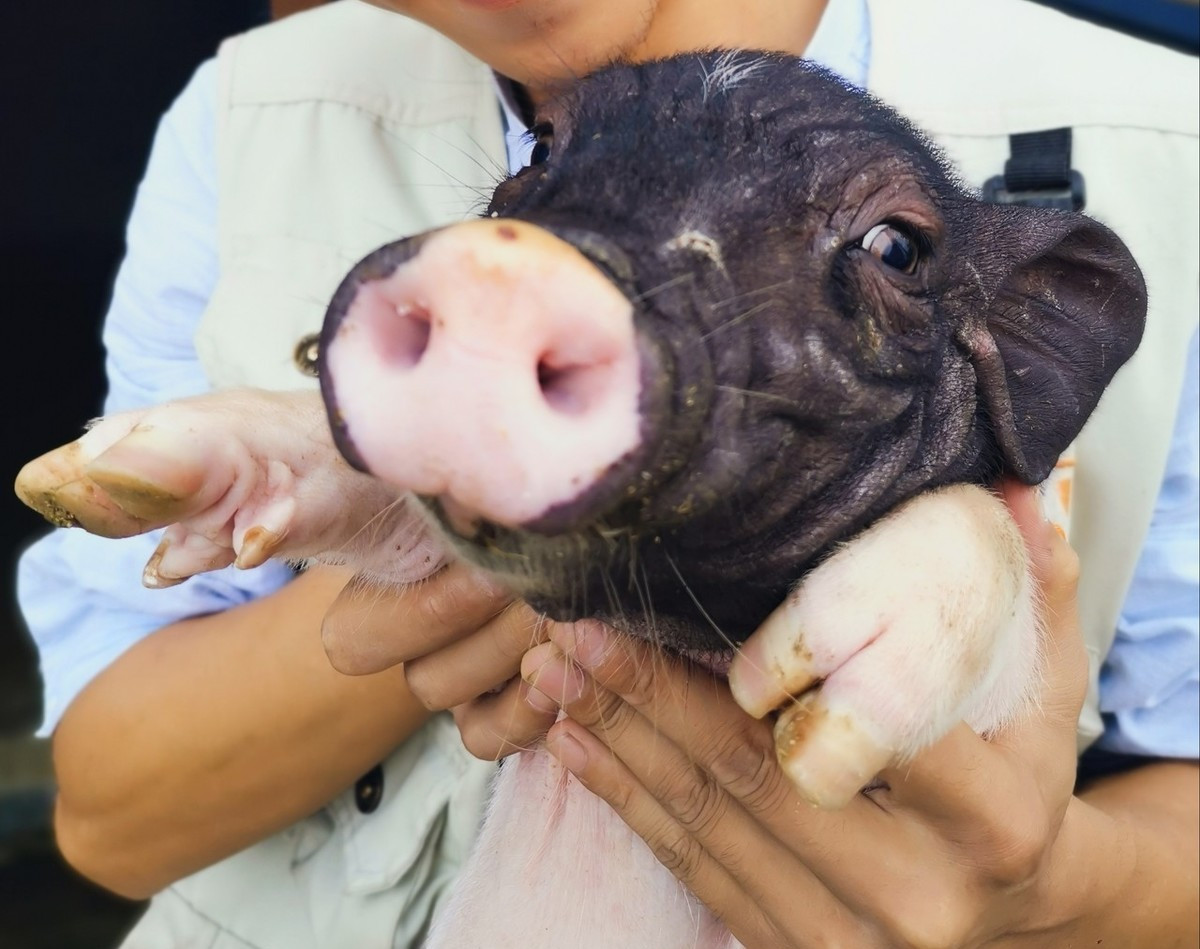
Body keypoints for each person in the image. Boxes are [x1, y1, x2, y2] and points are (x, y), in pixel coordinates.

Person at [17, 0, 1197, 946]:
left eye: (888, 251)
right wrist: (454, 495)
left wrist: (1054, 898)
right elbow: (112, 812)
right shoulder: (251, 114)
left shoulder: (1165, 152)